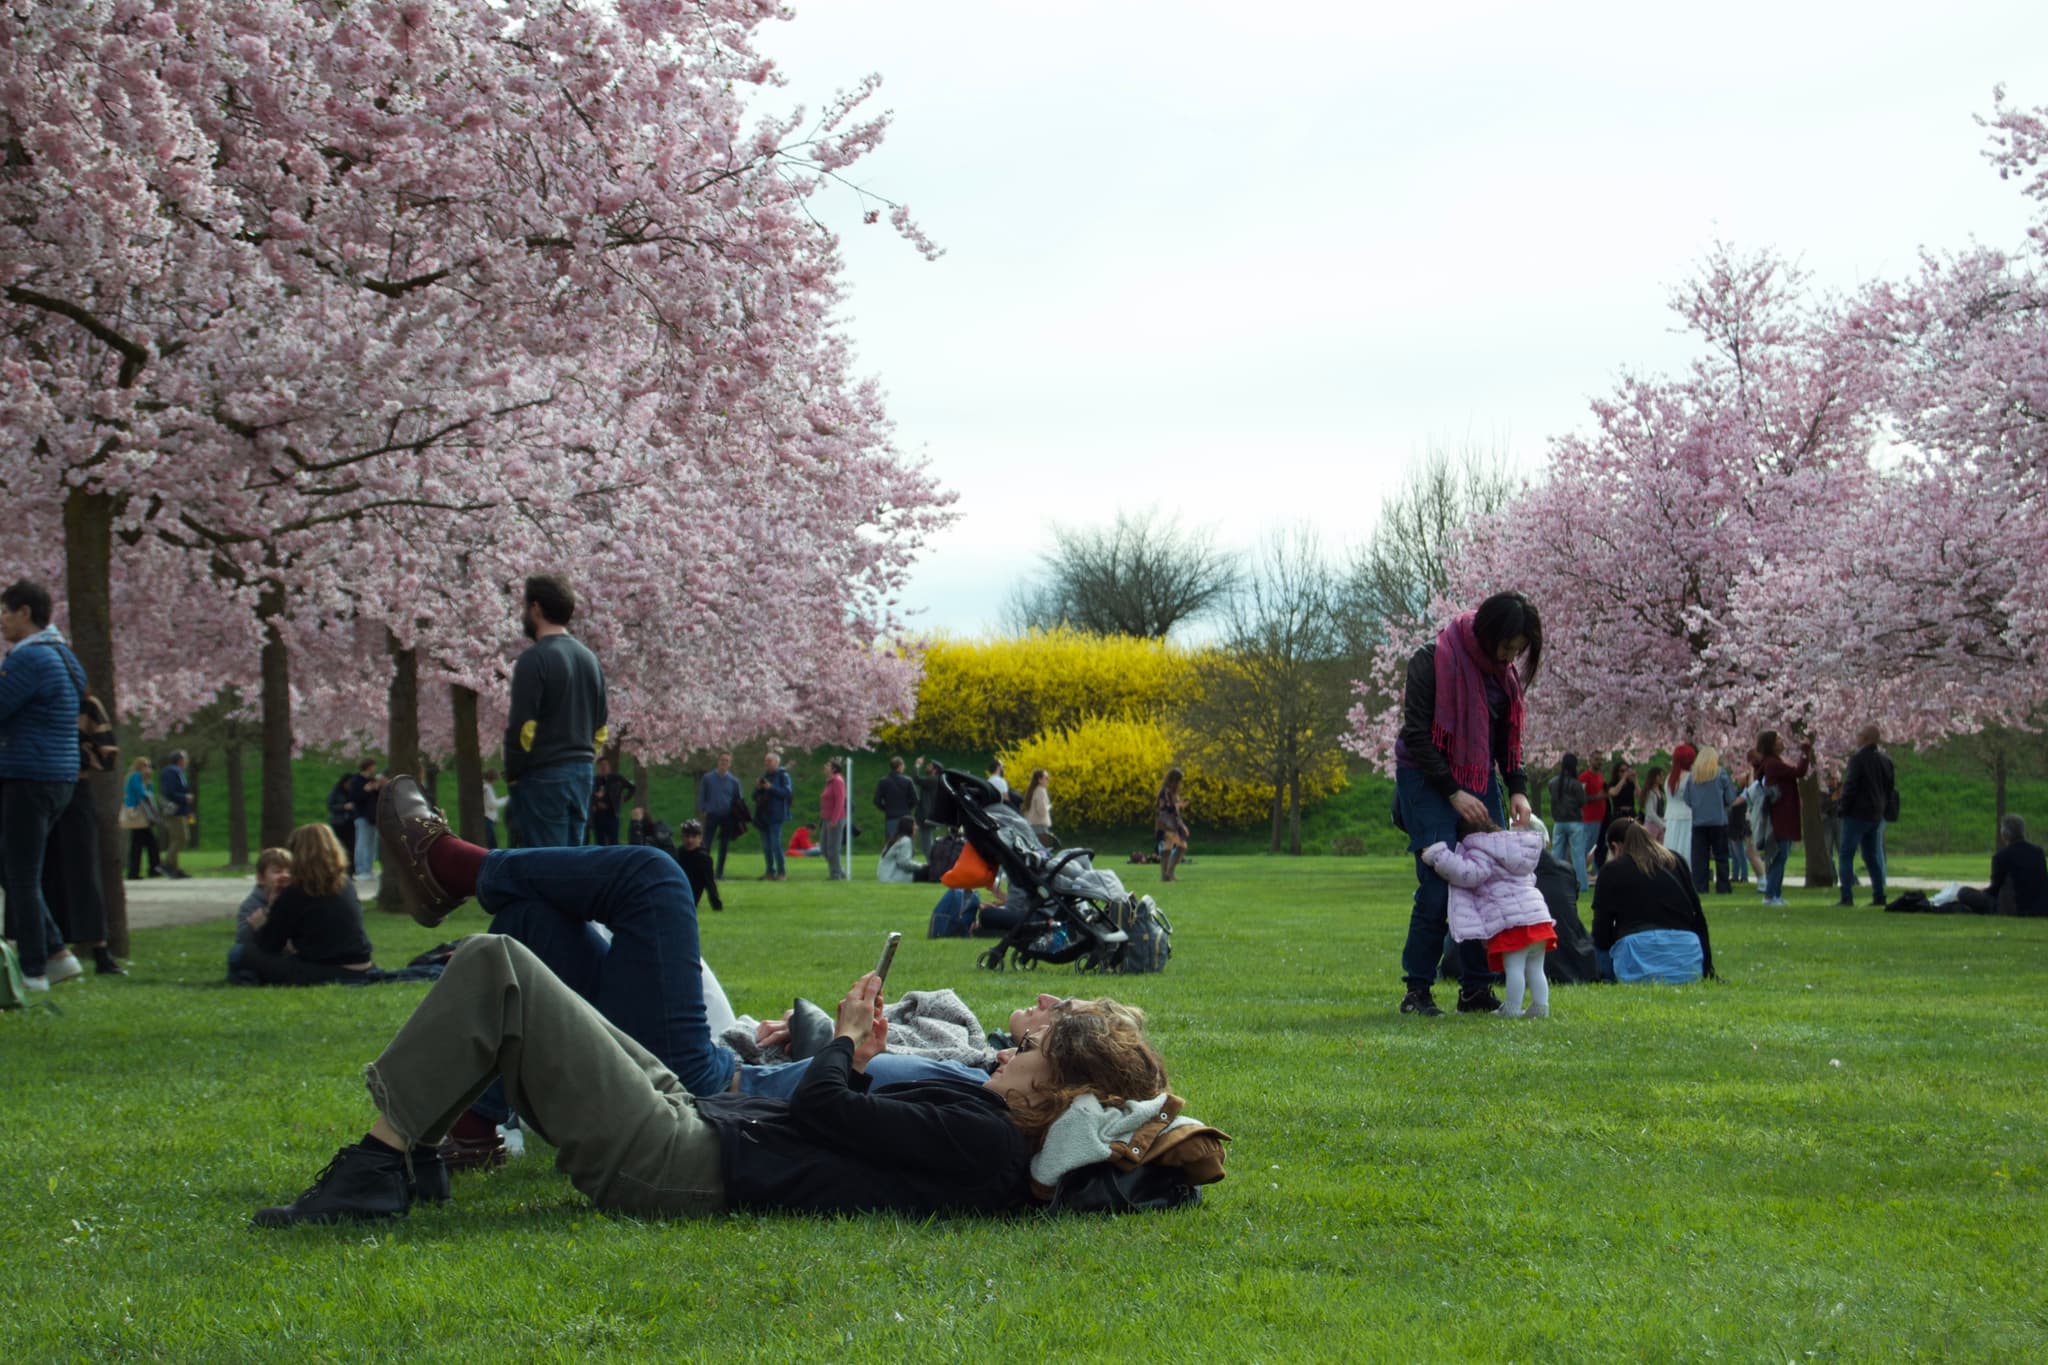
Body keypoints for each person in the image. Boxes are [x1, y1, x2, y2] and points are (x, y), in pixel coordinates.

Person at [253, 812, 1175, 1225]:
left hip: (686, 1156)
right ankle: (411, 1154)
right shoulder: (985, 1118)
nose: (1016, 1045)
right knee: (519, 954)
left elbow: (824, 1111)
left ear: (1056, 1094)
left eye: (1034, 1049)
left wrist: (852, 1041)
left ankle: (381, 1163)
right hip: (704, 1120)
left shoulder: (988, 1143)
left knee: (499, 965)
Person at [1391, 591, 1541, 1017]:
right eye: (1508, 646)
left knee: (1488, 878)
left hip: (1478, 778)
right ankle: (1417, 989)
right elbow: (1418, 736)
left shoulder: (1503, 676)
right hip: (1426, 777)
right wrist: (1453, 791)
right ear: (1489, 632)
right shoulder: (1432, 659)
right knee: (1439, 883)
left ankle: (1476, 988)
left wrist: (1517, 786)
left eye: (1519, 651)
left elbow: (1506, 741)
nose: (1511, 657)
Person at [0, 578, 92, 990]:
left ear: (24, 613)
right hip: (58, 776)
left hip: (29, 775)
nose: (1, 621)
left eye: (4, 611)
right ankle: (57, 952)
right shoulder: (64, 657)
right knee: (15, 868)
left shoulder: (29, 659)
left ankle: (35, 970)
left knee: (21, 874)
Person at [504, 574, 608, 848]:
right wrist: (584, 759)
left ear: (536, 609)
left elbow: (524, 729)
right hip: (583, 774)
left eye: (525, 607)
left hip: (545, 775)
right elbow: (600, 729)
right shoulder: (590, 660)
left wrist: (513, 774)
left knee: (546, 864)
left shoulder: (533, 660)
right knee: (573, 863)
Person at [1420, 812, 1557, 1018]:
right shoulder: (1513, 849)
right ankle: (1541, 1006)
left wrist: (1438, 855)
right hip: (1539, 919)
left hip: (1513, 923)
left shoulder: (1480, 850)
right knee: (1536, 968)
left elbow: (1467, 873)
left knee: (1515, 968)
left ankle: (1512, 1007)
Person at [226, 824, 376, 986]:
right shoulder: (345, 884)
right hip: (363, 965)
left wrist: (262, 924)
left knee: (238, 953)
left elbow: (270, 946)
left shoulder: (297, 892)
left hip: (328, 969)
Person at [1591, 819, 1716, 983]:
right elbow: (1698, 919)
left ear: (1615, 847)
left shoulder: (1611, 871)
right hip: (1686, 959)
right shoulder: (1676, 861)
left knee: (1593, 944)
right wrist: (1708, 969)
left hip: (1637, 956)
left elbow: (1601, 933)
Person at [1836, 724, 1897, 908]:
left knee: (1846, 855)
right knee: (1871, 856)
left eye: (1859, 734)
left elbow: (1851, 786)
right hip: (1876, 814)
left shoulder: (1858, 759)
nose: (1857, 736)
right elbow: (1889, 788)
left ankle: (1847, 896)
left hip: (1857, 814)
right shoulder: (1885, 760)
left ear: (1866, 738)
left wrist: (1842, 807)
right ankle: (1879, 895)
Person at [1757, 729, 1813, 907]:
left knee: (1781, 855)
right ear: (1771, 745)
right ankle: (1770, 894)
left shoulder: (1770, 763)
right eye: (1778, 739)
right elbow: (1799, 772)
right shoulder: (1773, 764)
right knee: (1780, 855)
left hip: (1781, 815)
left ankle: (1775, 894)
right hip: (1780, 816)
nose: (1782, 742)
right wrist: (1805, 752)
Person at [1956, 814, 2047, 917]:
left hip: (2015, 908)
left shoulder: (2001, 856)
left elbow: (1994, 890)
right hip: (2040, 908)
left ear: (2004, 834)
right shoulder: (2038, 852)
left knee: (1963, 892)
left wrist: (1982, 893)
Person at [1680, 746, 1738, 896]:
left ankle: (1700, 886)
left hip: (1699, 822)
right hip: (1718, 821)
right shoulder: (1720, 774)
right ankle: (1723, 887)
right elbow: (1731, 798)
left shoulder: (1693, 776)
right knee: (1721, 856)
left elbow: (1686, 799)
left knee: (1699, 857)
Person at [1545, 754, 1589, 894]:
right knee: (1578, 856)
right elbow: (1582, 802)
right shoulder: (1576, 784)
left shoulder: (1553, 783)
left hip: (1559, 822)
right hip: (1575, 822)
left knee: (1556, 854)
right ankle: (1581, 886)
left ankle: (1553, 882)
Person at [694, 752, 743, 878]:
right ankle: (704, 871)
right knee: (706, 843)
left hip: (727, 816)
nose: (724, 763)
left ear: (730, 763)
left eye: (726, 761)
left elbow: (738, 799)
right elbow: (702, 795)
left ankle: (720, 872)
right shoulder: (708, 778)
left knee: (724, 845)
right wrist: (704, 809)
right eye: (722, 760)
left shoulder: (734, 781)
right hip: (712, 814)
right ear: (718, 761)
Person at [235, 847, 295, 946]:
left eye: (289, 872)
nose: (285, 876)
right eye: (277, 871)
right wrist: (268, 911)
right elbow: (242, 939)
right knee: (236, 954)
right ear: (261, 878)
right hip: (263, 951)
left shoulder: (296, 901)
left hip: (289, 954)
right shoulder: (252, 904)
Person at [122, 755, 165, 879]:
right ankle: (150, 869)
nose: (148, 768)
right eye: (145, 766)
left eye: (149, 766)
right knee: (148, 843)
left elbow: (149, 793)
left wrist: (147, 779)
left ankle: (139, 870)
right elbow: (141, 793)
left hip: (142, 815)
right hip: (137, 813)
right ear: (139, 766)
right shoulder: (135, 776)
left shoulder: (144, 779)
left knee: (140, 843)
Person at [754, 752, 793, 880]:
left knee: (776, 844)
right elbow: (754, 796)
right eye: (765, 761)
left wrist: (771, 787)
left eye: (769, 761)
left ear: (776, 763)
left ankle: (782, 872)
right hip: (763, 815)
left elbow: (787, 793)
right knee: (766, 846)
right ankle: (770, 871)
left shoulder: (783, 776)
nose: (766, 763)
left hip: (776, 815)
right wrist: (759, 787)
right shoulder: (765, 776)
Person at [671, 819, 723, 913]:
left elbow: (710, 884)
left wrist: (717, 906)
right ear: (682, 837)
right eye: (687, 836)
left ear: (700, 838)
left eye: (694, 836)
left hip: (689, 899)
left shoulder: (703, 858)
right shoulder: (678, 853)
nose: (690, 840)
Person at [158, 748, 196, 879]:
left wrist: (188, 810)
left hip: (180, 810)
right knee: (181, 838)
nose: (187, 761)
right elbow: (170, 792)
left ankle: (174, 868)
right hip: (174, 810)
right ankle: (167, 865)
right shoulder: (171, 772)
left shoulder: (178, 772)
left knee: (177, 838)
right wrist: (185, 797)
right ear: (180, 760)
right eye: (185, 759)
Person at [1660, 743, 1696, 873]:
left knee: (1672, 845)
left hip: (1671, 816)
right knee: (1686, 846)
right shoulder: (1691, 777)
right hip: (1687, 816)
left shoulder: (1669, 778)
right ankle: (1686, 871)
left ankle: (1671, 870)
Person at [1597, 759, 1636, 874]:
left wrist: (1635, 781)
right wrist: (1623, 779)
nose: (1624, 773)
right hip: (1618, 814)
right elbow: (1613, 793)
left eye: (1626, 770)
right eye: (1621, 771)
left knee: (1631, 839)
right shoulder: (1613, 784)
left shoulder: (1631, 784)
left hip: (1630, 813)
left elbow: (1640, 795)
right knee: (1617, 840)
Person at [346, 758, 383, 877]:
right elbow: (354, 798)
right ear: (368, 766)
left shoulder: (372, 780)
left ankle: (369, 868)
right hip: (362, 816)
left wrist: (377, 788)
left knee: (372, 843)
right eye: (373, 766)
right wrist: (366, 790)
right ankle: (361, 869)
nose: (375, 768)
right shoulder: (356, 780)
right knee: (362, 842)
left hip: (373, 816)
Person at [588, 756, 635, 847]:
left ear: (609, 766)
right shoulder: (594, 780)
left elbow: (632, 787)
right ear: (598, 767)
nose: (603, 767)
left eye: (605, 765)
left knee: (614, 840)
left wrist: (624, 799)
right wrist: (596, 802)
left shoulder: (616, 778)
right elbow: (589, 795)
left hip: (612, 814)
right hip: (598, 815)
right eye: (601, 765)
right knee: (599, 841)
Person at [1155, 768, 1190, 883]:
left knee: (1175, 846)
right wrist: (1180, 805)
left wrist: (1182, 825)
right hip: (1166, 823)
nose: (1180, 784)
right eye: (1179, 781)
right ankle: (1167, 874)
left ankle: (1168, 874)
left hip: (1172, 823)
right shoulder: (1165, 792)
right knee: (1174, 847)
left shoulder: (1173, 793)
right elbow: (1167, 808)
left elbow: (1175, 811)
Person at [873, 756, 917, 847]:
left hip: (891, 816)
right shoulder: (907, 781)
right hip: (906, 816)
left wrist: (886, 808)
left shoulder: (883, 781)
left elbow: (877, 800)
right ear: (900, 766)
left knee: (891, 843)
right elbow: (915, 799)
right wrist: (907, 808)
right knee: (907, 843)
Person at [1577, 759, 1606, 882]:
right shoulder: (1584, 777)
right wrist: (1597, 797)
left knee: (1597, 846)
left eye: (1600, 758)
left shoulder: (1600, 776)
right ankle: (1580, 875)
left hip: (1600, 817)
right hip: (1589, 818)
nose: (1599, 761)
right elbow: (1581, 797)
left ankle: (1594, 872)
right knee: (1586, 846)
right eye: (1596, 758)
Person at [820, 758, 849, 881]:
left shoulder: (838, 781)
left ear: (833, 769)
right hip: (826, 819)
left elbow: (840, 801)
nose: (825, 766)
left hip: (835, 819)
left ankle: (835, 874)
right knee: (824, 849)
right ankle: (839, 871)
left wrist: (835, 819)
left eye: (827, 765)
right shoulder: (830, 781)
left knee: (833, 849)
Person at [877, 817, 923, 883]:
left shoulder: (895, 839)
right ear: (909, 827)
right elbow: (904, 862)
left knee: (930, 871)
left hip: (885, 876)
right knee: (930, 872)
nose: (917, 827)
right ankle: (943, 881)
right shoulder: (905, 840)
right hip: (893, 877)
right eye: (914, 825)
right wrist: (921, 866)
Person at [912, 758, 943, 855]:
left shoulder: (932, 780)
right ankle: (933, 865)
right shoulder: (936, 780)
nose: (927, 767)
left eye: (930, 766)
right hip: (930, 815)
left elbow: (916, 779)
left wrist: (917, 765)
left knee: (927, 845)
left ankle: (932, 866)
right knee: (928, 843)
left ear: (935, 770)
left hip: (926, 816)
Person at [1022, 768, 1053, 843]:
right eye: (1046, 778)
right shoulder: (1041, 790)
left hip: (1032, 824)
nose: (1048, 780)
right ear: (1039, 780)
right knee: (1043, 851)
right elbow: (1042, 811)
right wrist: (1049, 806)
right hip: (1040, 826)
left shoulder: (1033, 789)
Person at [480, 768, 507, 850]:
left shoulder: (486, 786)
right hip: (487, 819)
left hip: (488, 818)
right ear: (493, 779)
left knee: (491, 843)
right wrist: (506, 799)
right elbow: (492, 804)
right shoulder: (487, 788)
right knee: (492, 845)